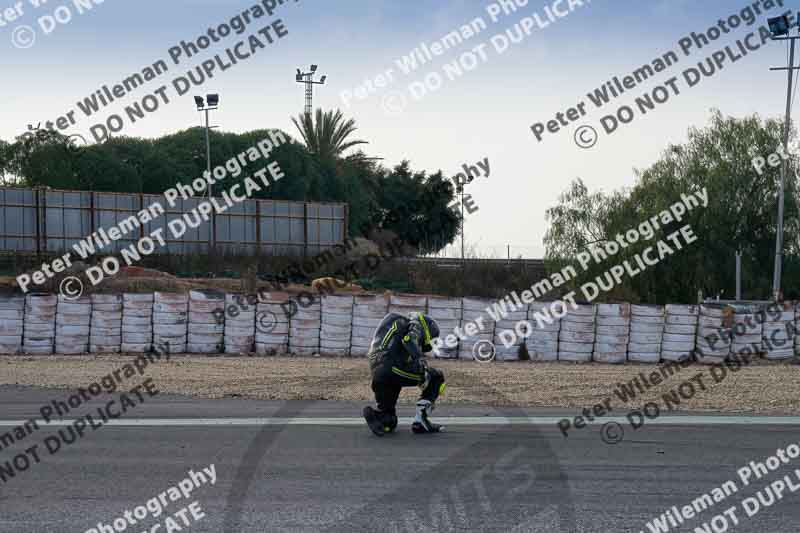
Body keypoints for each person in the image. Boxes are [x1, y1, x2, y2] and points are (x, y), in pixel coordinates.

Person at [363, 312, 446, 436]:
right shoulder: (416, 324)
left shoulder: (396, 323)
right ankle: (421, 421)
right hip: (391, 367)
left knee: (389, 421)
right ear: (429, 328)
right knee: (436, 377)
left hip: (377, 371)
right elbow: (408, 340)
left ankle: (377, 415)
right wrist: (421, 361)